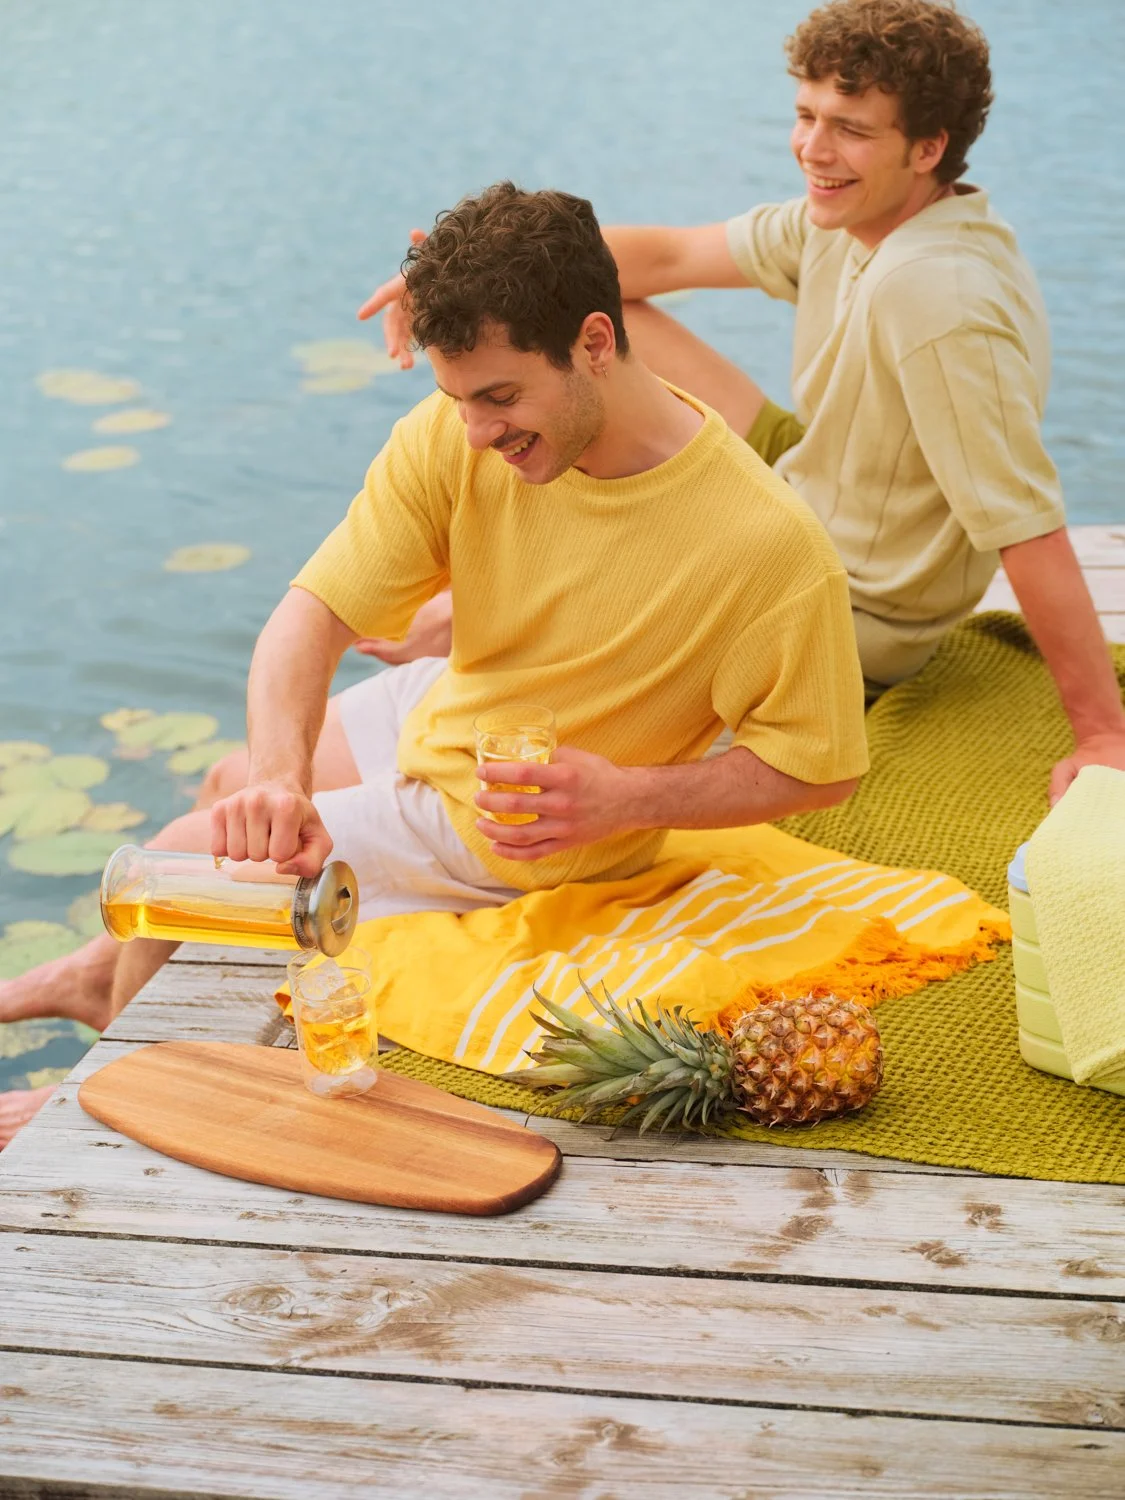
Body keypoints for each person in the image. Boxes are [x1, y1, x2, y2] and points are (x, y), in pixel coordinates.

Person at [0, 182, 869, 1145]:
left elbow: (820, 766)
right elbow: (308, 617)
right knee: (239, 782)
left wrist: (625, 798)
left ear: (593, 340)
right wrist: (284, 783)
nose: (475, 433)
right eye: (455, 399)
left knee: (172, 864)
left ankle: (90, 1108)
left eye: (499, 397)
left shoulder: (765, 545)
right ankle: (96, 982)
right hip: (464, 701)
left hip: (514, 818)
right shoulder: (464, 434)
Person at [358, 0, 1125, 803]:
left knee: (582, 388)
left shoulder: (936, 299)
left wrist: (1102, 734)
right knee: (601, 320)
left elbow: (1025, 523)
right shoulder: (857, 217)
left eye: (852, 130)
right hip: (817, 475)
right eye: (805, 115)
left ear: (927, 147)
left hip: (852, 596)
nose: (813, 150)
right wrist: (468, 288)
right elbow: (670, 253)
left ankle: (480, 610)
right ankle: (506, 577)